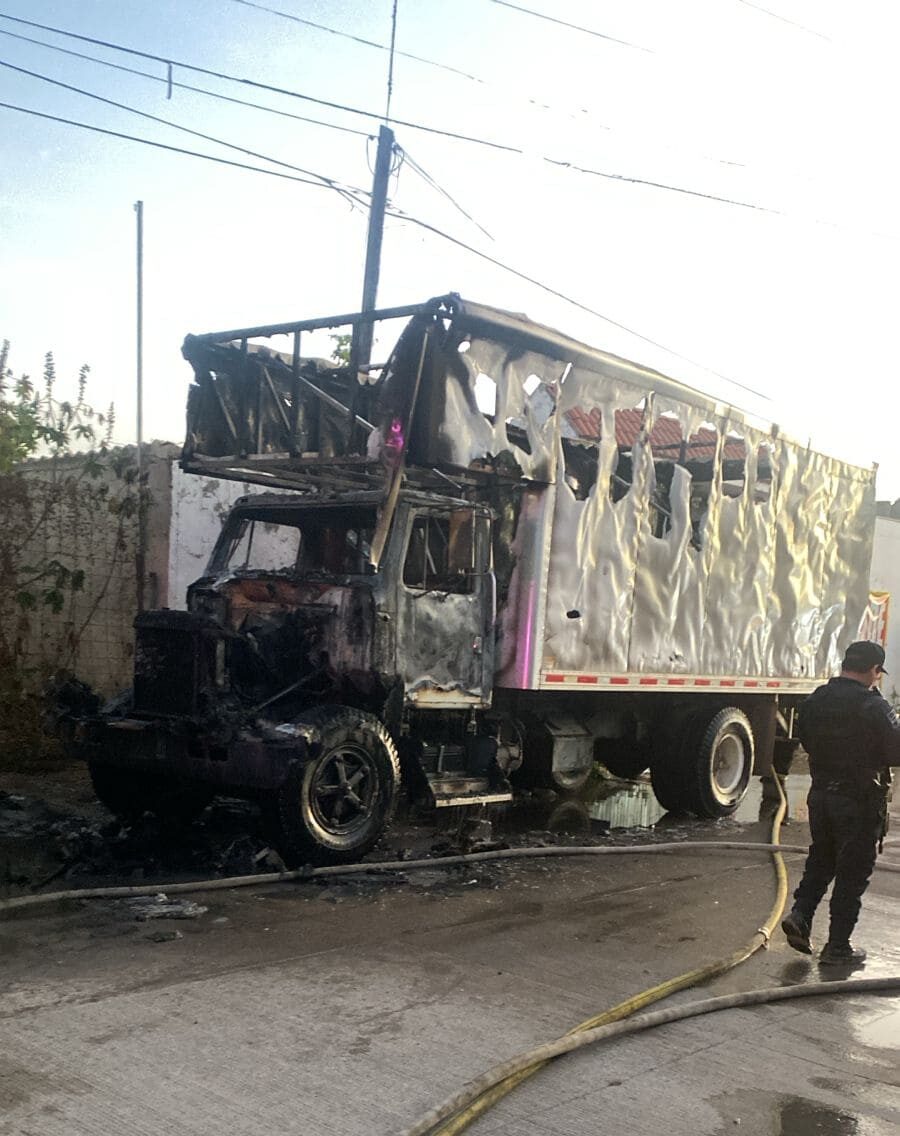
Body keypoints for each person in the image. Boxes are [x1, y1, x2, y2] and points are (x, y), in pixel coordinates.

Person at [781, 640, 899, 965]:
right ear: (875, 670)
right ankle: (837, 947)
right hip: (859, 800)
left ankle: (801, 915)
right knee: (853, 872)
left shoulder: (817, 699)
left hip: (821, 795)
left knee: (822, 858)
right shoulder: (874, 707)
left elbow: (804, 736)